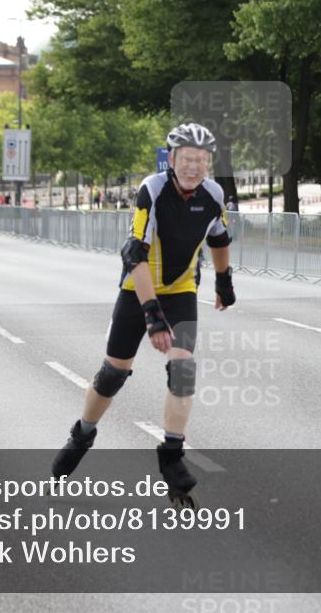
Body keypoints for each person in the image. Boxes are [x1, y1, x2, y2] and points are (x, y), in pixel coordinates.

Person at [51, 122, 236, 506]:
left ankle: (171, 455)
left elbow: (218, 238)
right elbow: (134, 253)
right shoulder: (152, 189)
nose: (193, 167)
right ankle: (82, 434)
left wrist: (223, 280)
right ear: (172, 160)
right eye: (186, 159)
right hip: (138, 290)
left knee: (183, 370)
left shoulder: (215, 193)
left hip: (182, 290)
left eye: (200, 161)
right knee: (113, 374)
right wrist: (151, 313)